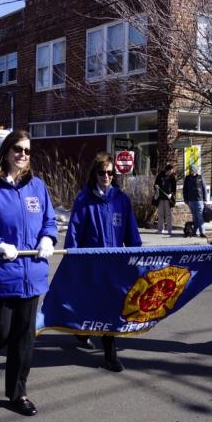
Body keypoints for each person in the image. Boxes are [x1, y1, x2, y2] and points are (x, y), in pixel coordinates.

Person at [0, 130, 58, 416]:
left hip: (33, 276)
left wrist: (48, 239)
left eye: (27, 151)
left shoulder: (37, 186)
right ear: (6, 151)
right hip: (1, 273)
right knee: (1, 330)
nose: (23, 155)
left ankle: (18, 393)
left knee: (24, 338)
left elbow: (49, 221)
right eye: (18, 149)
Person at [65, 152, 142, 372]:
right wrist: (74, 258)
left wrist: (136, 256)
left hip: (115, 265)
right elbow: (75, 231)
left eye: (110, 173)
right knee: (89, 302)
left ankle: (110, 354)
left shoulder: (122, 200)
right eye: (102, 172)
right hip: (92, 263)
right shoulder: (84, 199)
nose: (106, 176)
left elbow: (132, 233)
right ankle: (81, 331)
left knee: (111, 308)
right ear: (95, 174)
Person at [182, 164, 208, 237]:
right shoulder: (187, 178)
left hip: (199, 200)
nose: (192, 172)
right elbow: (185, 189)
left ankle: (202, 232)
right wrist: (185, 199)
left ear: (196, 170)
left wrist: (205, 199)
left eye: (193, 170)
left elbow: (204, 189)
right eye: (191, 170)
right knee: (194, 216)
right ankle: (194, 232)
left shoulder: (200, 177)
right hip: (190, 200)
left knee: (199, 216)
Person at [154, 163, 177, 235]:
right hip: (161, 198)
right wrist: (156, 187)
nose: (172, 172)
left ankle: (169, 230)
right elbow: (155, 184)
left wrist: (171, 194)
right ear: (167, 170)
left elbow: (174, 189)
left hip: (168, 199)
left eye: (172, 171)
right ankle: (160, 230)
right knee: (160, 214)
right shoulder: (160, 175)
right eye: (171, 170)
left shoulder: (173, 178)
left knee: (168, 215)